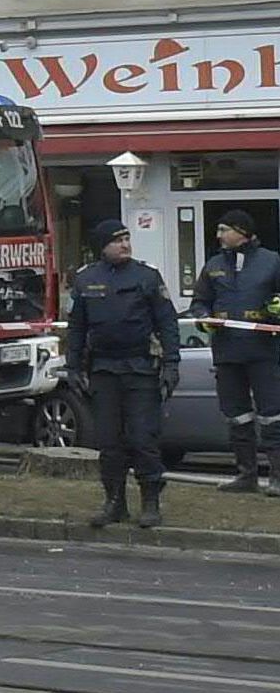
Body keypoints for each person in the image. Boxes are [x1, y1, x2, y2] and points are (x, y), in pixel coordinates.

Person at [65, 218, 179, 529]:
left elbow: (167, 322)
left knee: (143, 439)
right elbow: (77, 328)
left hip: (140, 369)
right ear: (102, 247)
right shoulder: (86, 280)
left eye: (127, 239)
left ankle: (150, 501)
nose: (125, 245)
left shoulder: (146, 276)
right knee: (109, 443)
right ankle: (115, 502)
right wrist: (73, 365)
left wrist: (171, 362)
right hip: (103, 370)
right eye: (118, 240)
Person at [195, 205, 280, 493]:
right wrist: (204, 318)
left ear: (241, 233)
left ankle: (278, 477)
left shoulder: (272, 261)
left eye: (223, 229)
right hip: (227, 353)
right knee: (236, 414)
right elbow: (200, 301)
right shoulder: (213, 265)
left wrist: (277, 309)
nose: (218, 235)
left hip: (264, 352)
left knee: (272, 414)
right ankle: (247, 475)